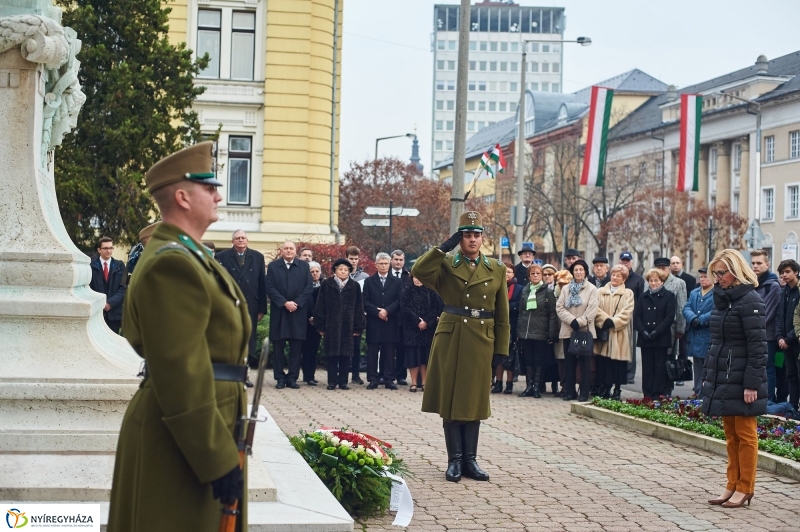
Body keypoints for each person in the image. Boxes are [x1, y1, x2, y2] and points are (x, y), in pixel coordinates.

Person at [109, 141, 250, 531]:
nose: (219, 195)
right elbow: (181, 371)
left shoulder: (190, 255)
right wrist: (216, 458)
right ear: (184, 197)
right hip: (183, 440)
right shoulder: (172, 263)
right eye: (210, 188)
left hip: (200, 430)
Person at [412, 211, 509, 483]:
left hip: (482, 338)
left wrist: (501, 347)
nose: (472, 240)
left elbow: (502, 314)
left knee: (475, 400)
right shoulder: (445, 265)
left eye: (476, 235)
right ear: (460, 239)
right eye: (467, 235)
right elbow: (419, 270)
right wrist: (443, 247)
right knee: (452, 399)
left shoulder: (496, 269)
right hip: (452, 336)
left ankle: (470, 460)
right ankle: (454, 460)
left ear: (482, 238)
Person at [703, 249, 767, 509]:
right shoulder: (723, 300)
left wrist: (751, 383)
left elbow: (758, 347)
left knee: (746, 434)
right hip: (725, 375)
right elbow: (718, 341)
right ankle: (732, 484)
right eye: (715, 273)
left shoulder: (750, 300)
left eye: (722, 272)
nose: (718, 278)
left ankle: (745, 487)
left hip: (743, 378)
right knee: (731, 434)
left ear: (736, 270)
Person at [216, 230, 267, 374]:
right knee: (231, 338)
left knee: (249, 339)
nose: (240, 240)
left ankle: (246, 373)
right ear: (232, 241)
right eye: (237, 238)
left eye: (243, 238)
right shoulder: (221, 256)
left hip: (251, 305)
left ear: (247, 240)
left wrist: (262, 308)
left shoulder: (257, 257)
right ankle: (231, 371)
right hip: (230, 304)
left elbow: (261, 283)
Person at [265, 241, 314, 389]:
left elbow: (308, 287)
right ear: (282, 251)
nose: (288, 251)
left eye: (291, 248)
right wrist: (284, 302)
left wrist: (296, 303)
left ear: (295, 251)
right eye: (286, 248)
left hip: (297, 312)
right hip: (280, 311)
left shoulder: (304, 266)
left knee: (296, 347)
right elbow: (269, 287)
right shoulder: (273, 266)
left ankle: (292, 377)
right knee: (278, 346)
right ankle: (279, 377)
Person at [314, 259, 366, 390]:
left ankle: (343, 382)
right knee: (332, 354)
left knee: (345, 354)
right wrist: (320, 325)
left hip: (348, 325)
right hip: (331, 325)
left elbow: (359, 307)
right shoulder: (327, 284)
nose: (343, 272)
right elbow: (320, 305)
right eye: (340, 269)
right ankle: (332, 381)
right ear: (335, 270)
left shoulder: (354, 286)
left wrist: (358, 326)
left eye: (346, 270)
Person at [556, 259, 598, 402]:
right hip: (568, 330)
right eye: (576, 270)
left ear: (585, 271)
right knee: (569, 362)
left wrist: (579, 322)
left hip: (584, 330)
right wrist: (571, 320)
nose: (578, 272)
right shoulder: (566, 289)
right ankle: (570, 392)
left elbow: (592, 310)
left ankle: (584, 392)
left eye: (581, 269)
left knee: (585, 363)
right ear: (572, 272)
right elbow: (560, 307)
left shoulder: (592, 289)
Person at [517, 264, 559, 398]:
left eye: (538, 274)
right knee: (528, 360)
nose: (535, 276)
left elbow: (552, 314)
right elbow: (521, 312)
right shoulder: (525, 290)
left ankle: (536, 387)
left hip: (541, 331)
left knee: (538, 360)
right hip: (526, 331)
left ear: (541, 275)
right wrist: (519, 331)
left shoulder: (547, 291)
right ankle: (529, 386)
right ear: (529, 276)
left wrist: (551, 333)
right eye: (532, 274)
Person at [593, 264, 635, 400]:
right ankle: (605, 388)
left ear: (624, 279)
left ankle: (617, 389)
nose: (615, 277)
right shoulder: (600, 291)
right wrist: (605, 320)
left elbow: (627, 312)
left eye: (618, 276)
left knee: (618, 364)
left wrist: (615, 322)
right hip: (604, 332)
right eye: (613, 275)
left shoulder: (628, 293)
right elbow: (595, 308)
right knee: (604, 363)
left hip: (619, 333)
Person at [634, 268, 676, 399]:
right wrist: (643, 331)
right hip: (645, 337)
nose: (653, 283)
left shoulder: (669, 296)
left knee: (659, 367)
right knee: (647, 367)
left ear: (662, 281)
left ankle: (658, 393)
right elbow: (637, 316)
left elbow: (669, 317)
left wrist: (657, 332)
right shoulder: (643, 296)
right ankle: (647, 393)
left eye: (656, 280)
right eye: (651, 281)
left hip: (660, 337)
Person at [363, 252, 403, 390]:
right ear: (376, 265)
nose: (384, 266)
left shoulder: (397, 282)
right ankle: (373, 378)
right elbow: (365, 301)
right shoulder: (369, 281)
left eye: (386, 263)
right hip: (374, 321)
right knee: (373, 351)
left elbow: (399, 300)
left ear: (389, 264)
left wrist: (387, 311)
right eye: (381, 263)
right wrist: (377, 311)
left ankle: (389, 379)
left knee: (389, 351)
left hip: (390, 321)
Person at [401, 273, 443, 392]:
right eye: (415, 277)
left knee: (425, 356)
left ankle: (424, 382)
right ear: (412, 278)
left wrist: (426, 322)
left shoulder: (431, 291)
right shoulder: (407, 291)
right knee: (412, 356)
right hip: (412, 329)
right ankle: (413, 383)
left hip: (427, 329)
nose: (418, 280)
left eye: (420, 278)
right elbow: (405, 308)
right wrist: (417, 321)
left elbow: (435, 308)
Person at [654, 256, 687, 392]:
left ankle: (667, 388)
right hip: (653, 326)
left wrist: (681, 328)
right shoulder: (650, 281)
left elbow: (681, 307)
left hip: (670, 328)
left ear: (668, 269)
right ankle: (654, 387)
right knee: (654, 359)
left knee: (668, 359)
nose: (661, 271)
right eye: (658, 268)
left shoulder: (678, 283)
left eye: (664, 268)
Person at [751, 250, 779, 402]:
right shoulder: (752, 283)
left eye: (759, 263)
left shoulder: (772, 286)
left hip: (767, 335)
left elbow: (767, 313)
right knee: (756, 369)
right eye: (753, 263)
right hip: (752, 335)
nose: (755, 266)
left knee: (768, 370)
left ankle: (768, 400)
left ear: (767, 265)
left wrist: (750, 326)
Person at [492, 262, 524, 394]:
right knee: (498, 356)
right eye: (504, 272)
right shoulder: (496, 286)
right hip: (497, 325)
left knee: (510, 356)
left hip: (512, 325)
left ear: (514, 274)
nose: (506, 274)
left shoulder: (519, 288)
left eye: (509, 272)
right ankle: (498, 383)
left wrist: (504, 307)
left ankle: (509, 384)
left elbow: (520, 305)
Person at [683, 268, 714, 397]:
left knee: (709, 367)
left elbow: (715, 310)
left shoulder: (716, 293)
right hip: (695, 335)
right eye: (701, 277)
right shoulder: (695, 292)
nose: (702, 279)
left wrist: (701, 320)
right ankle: (697, 392)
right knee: (698, 366)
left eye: (705, 277)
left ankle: (706, 394)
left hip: (707, 334)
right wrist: (692, 318)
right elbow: (687, 307)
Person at [89, 237, 127, 334]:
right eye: (105, 248)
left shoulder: (120, 266)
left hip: (114, 314)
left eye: (111, 248)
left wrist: (110, 303)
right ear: (99, 250)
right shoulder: (91, 266)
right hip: (96, 313)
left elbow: (123, 288)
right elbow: (88, 288)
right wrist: (100, 303)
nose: (109, 251)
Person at [776, 259, 800, 409]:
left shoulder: (798, 291)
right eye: (782, 273)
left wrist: (788, 339)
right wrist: (779, 337)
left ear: (796, 272)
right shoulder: (783, 291)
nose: (783, 275)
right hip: (785, 342)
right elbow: (780, 316)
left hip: (795, 340)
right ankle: (793, 407)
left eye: (787, 272)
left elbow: (797, 320)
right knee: (790, 375)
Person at [620, 251, 645, 384]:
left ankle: (630, 374)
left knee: (630, 348)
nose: (625, 263)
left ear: (631, 262)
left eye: (627, 261)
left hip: (632, 319)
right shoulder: (616, 277)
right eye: (623, 261)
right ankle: (619, 372)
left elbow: (641, 301)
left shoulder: (638, 279)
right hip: (617, 318)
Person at [346, 246, 369, 384]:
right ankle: (340, 374)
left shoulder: (365, 277)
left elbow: (366, 297)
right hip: (343, 316)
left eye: (355, 259)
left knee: (356, 347)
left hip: (357, 317)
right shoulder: (341, 273)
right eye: (350, 259)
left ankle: (355, 374)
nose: (353, 261)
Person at [551, 269, 573, 396]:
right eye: (560, 283)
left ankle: (570, 386)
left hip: (571, 329)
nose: (562, 286)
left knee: (570, 360)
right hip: (558, 331)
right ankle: (563, 385)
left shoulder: (574, 294)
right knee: (560, 359)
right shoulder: (554, 294)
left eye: (565, 283)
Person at [390, 249, 410, 385]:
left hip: (403, 319)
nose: (398, 262)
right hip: (389, 317)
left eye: (401, 260)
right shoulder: (386, 275)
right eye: (396, 259)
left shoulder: (408, 276)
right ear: (391, 260)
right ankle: (388, 375)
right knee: (389, 349)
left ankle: (401, 376)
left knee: (402, 348)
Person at [302, 261, 323, 386]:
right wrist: (309, 316)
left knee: (314, 350)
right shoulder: (304, 285)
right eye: (312, 272)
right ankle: (306, 375)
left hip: (318, 322)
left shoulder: (323, 285)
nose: (315, 274)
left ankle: (311, 375)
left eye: (317, 272)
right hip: (305, 321)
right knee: (305, 349)